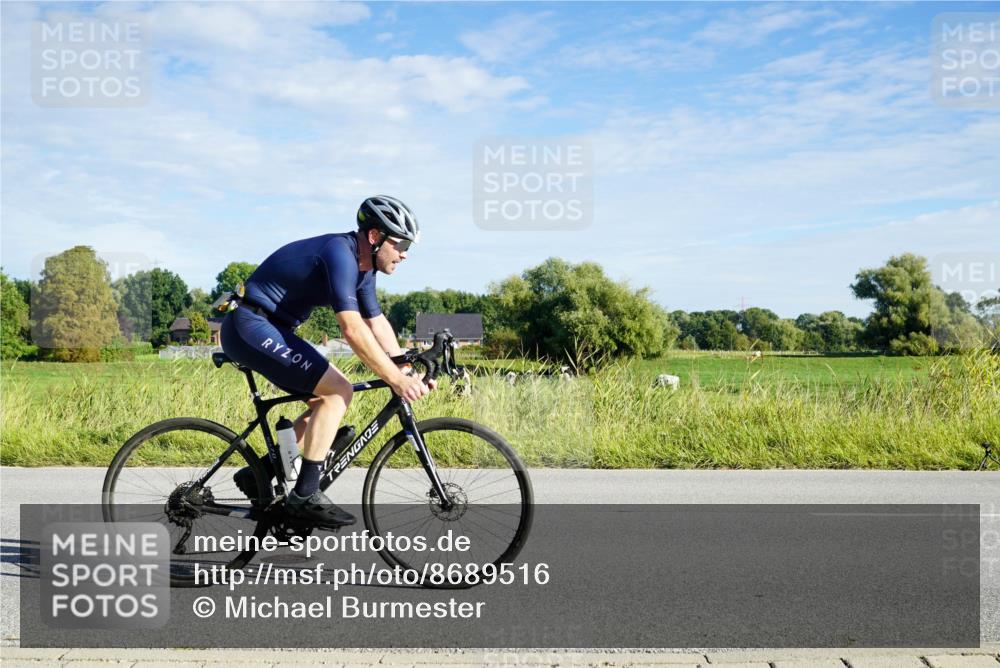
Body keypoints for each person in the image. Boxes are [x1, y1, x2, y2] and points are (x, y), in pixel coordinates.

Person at [219, 195, 431, 528]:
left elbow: (376, 323)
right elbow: (352, 328)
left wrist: (406, 370)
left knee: (325, 401)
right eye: (401, 243)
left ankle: (258, 473)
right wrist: (395, 378)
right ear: (375, 237)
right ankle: (305, 496)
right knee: (338, 392)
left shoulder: (365, 270)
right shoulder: (340, 255)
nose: (405, 253)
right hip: (250, 323)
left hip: (272, 327)